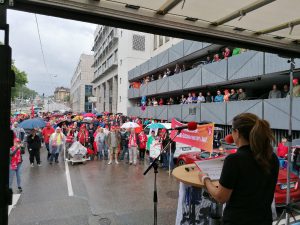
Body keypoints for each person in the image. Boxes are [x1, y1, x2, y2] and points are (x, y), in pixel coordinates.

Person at [199, 113, 279, 225]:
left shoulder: (234, 160)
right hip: (264, 220)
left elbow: (220, 197)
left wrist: (205, 179)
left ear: (236, 132)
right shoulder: (272, 157)